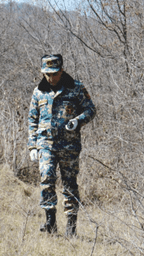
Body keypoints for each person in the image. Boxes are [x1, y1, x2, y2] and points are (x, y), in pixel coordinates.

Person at [27, 54, 96, 237]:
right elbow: (32, 120)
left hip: (69, 145)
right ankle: (50, 222)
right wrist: (32, 146)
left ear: (61, 71)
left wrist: (78, 120)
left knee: (69, 184)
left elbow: (91, 109)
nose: (51, 78)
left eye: (54, 74)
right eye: (47, 74)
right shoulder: (39, 92)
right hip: (46, 144)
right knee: (46, 178)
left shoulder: (75, 88)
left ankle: (71, 226)